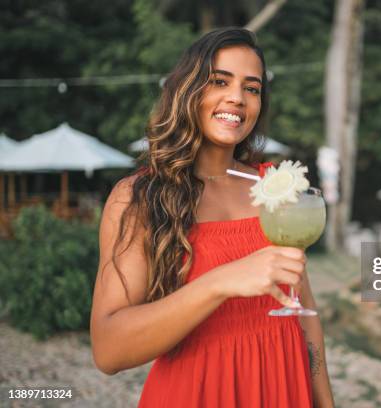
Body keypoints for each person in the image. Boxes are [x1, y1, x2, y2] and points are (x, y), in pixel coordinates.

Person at [90, 27, 335, 408]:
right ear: (187, 90)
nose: (237, 97)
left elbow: (304, 317)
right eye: (219, 81)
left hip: (285, 390)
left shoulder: (275, 187)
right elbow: (108, 350)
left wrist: (323, 403)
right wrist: (221, 281)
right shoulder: (139, 197)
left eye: (252, 88)